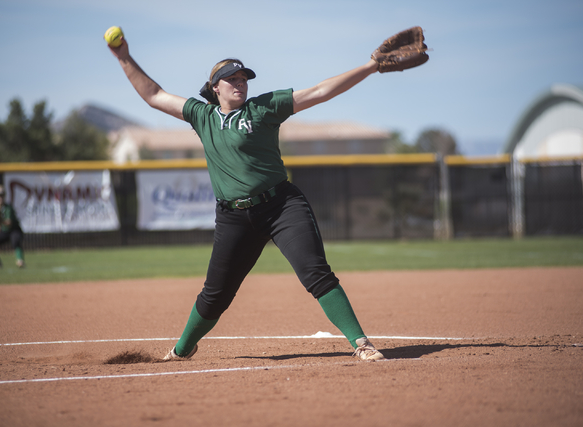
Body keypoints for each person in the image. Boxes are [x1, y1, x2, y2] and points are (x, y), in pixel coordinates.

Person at [108, 29, 426, 362]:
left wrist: (370, 66)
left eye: (243, 77)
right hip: (234, 218)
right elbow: (154, 95)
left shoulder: (263, 108)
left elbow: (319, 91)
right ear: (215, 88)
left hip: (281, 206)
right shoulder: (202, 116)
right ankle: (182, 349)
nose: (239, 82)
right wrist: (124, 57)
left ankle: (361, 343)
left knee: (315, 272)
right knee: (215, 295)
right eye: (230, 78)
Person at [0, 185, 25, 269]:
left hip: (14, 230)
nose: (1, 198)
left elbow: (9, 222)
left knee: (16, 240)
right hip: (4, 232)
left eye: (2, 195)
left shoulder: (8, 207)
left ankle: (20, 260)